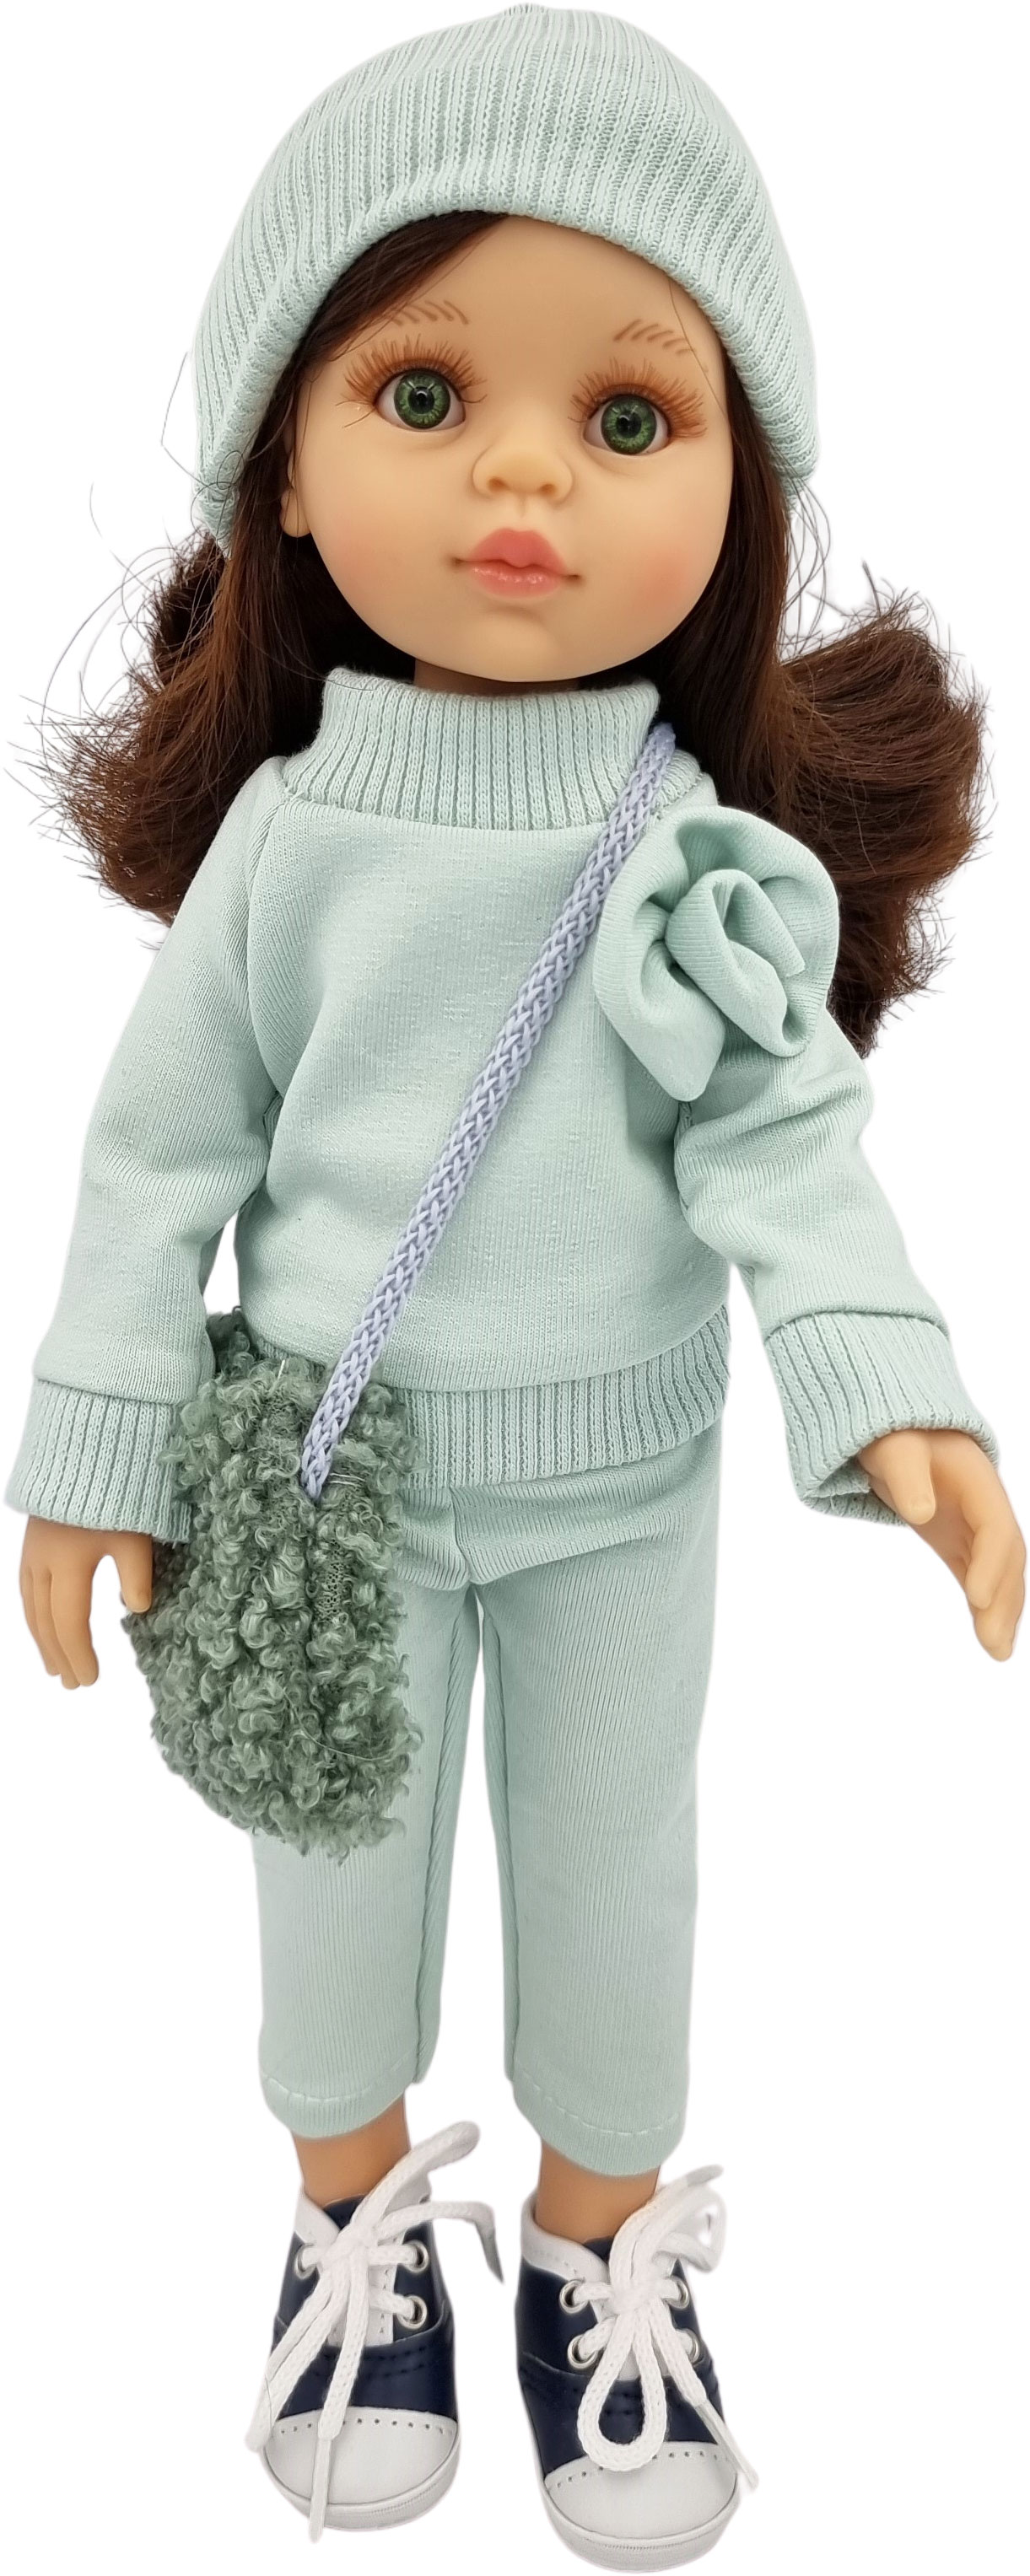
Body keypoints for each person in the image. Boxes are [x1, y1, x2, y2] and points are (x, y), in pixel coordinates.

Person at [7, 8, 1024, 2563]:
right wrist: (97, 1445)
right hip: (326, 1475)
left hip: (623, 1489)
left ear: (737, 491)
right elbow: (157, 1157)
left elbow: (780, 1131)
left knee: (614, 1883)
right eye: (427, 393)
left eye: (630, 417)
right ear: (288, 468)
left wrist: (888, 1384)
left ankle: (594, 2251)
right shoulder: (288, 842)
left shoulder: (689, 853)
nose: (526, 479)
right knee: (327, 1883)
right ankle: (354, 2223)